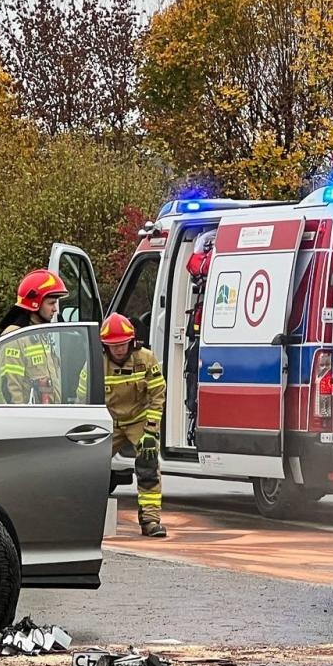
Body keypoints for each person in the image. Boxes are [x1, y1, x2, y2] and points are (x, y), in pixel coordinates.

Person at [99, 313, 167, 537]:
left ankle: (150, 521)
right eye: (113, 346)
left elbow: (158, 395)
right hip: (109, 422)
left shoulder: (145, 359)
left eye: (122, 344)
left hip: (138, 419)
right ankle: (87, 519)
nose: (119, 350)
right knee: (90, 466)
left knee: (148, 464)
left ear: (132, 341)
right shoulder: (98, 363)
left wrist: (150, 430)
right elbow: (86, 397)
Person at [0, 268, 67, 404]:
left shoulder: (39, 334)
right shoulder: (15, 337)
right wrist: (21, 419)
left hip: (48, 416)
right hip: (30, 420)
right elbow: (11, 388)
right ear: (35, 303)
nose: (55, 309)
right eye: (51, 303)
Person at [183, 230, 216, 444]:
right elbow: (194, 268)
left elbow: (198, 266)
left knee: (195, 368)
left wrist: (202, 242)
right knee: (193, 368)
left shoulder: (215, 260)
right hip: (202, 327)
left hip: (207, 327)